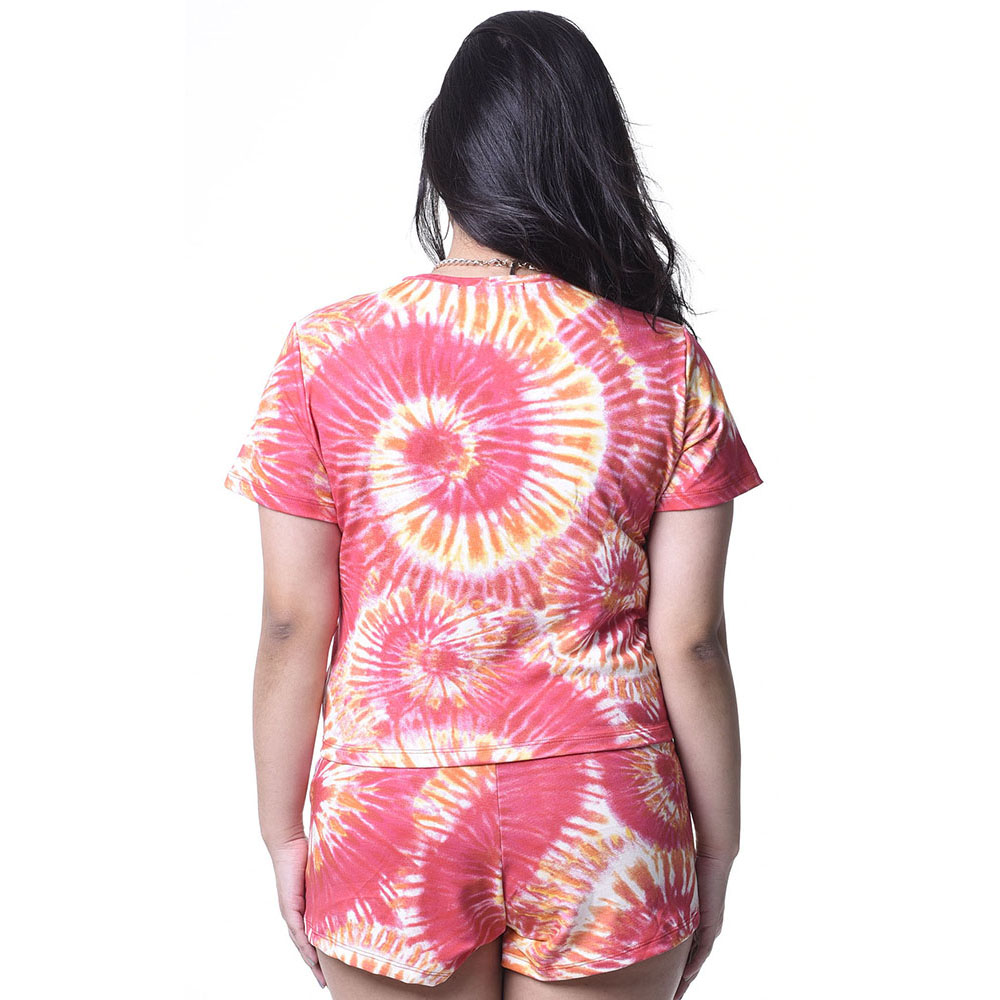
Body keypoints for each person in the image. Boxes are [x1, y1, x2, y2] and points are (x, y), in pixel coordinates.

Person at [223, 10, 763, 999]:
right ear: (591, 157)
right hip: (604, 802)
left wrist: (280, 830)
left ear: (445, 158)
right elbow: (691, 639)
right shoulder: (662, 360)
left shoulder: (325, 351)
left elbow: (294, 619)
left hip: (391, 801)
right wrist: (717, 846)